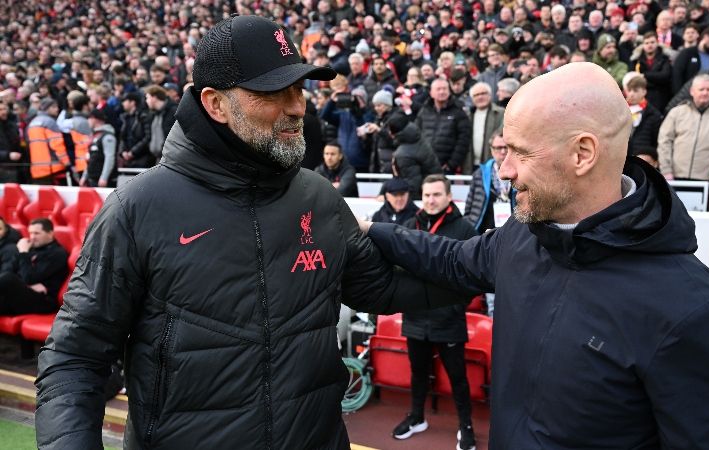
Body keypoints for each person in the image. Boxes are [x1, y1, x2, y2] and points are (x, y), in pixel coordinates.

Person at [35, 16, 460, 450]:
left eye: (299, 89)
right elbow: (75, 358)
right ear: (216, 104)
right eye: (274, 93)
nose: (297, 106)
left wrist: (500, 261)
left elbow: (385, 287)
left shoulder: (318, 196)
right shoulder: (137, 208)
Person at [360, 62, 709, 448]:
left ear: (582, 153)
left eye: (519, 153)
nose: (505, 171)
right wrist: (371, 231)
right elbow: (454, 260)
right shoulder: (522, 236)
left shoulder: (691, 308)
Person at [392, 174, 478, 450]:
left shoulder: (464, 229)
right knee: (418, 372)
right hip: (415, 317)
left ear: (449, 197)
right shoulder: (409, 225)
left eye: (437, 195)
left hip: (449, 318)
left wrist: (455, 304)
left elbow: (475, 275)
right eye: (427, 195)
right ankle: (417, 417)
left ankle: (466, 426)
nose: (430, 200)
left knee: (457, 376)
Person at [657, 74, 709, 181]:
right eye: (701, 89)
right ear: (692, 91)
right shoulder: (676, 112)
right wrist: (666, 170)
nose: (705, 93)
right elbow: (664, 142)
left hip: (707, 177)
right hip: (674, 177)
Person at [0, 218, 68, 316]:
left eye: (36, 233)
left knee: (8, 278)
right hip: (24, 294)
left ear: (50, 233)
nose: (32, 237)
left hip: (43, 301)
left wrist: (23, 253)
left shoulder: (57, 253)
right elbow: (10, 268)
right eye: (30, 233)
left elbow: (28, 278)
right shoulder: (31, 248)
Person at [415, 78, 471, 175]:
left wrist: (451, 164)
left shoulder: (459, 112)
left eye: (444, 89)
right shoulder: (424, 111)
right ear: (431, 93)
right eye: (438, 89)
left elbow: (463, 141)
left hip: (446, 168)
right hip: (424, 165)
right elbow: (416, 135)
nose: (442, 92)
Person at [464, 130, 514, 234]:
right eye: (499, 148)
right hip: (482, 231)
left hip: (512, 231)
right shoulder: (479, 174)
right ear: (491, 150)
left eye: (506, 147)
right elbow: (469, 207)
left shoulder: (520, 172)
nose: (503, 151)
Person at [387, 114, 442, 196]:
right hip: (436, 188)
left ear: (392, 133)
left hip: (424, 197)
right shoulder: (416, 136)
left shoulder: (403, 154)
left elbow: (412, 185)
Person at [26, 98, 72, 184]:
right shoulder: (50, 122)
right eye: (54, 107)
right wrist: (67, 162)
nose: (57, 109)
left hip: (37, 169)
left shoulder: (32, 123)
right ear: (47, 108)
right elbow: (57, 145)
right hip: (53, 168)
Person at [467, 82, 505, 172]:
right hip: (470, 164)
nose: (480, 97)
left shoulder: (501, 113)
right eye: (476, 95)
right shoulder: (468, 115)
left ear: (490, 95)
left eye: (483, 93)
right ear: (472, 99)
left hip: (493, 163)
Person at [81, 109, 117, 188]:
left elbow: (109, 158)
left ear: (94, 119)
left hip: (103, 181)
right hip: (93, 179)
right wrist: (85, 176)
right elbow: (90, 159)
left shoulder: (107, 136)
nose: (88, 121)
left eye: (89, 118)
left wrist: (104, 177)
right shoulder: (94, 136)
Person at [118, 92, 154, 169]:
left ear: (132, 102)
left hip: (143, 159)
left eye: (125, 101)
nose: (122, 103)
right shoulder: (125, 118)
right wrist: (123, 151)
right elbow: (123, 137)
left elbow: (148, 137)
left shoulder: (144, 116)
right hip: (127, 160)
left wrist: (133, 152)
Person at [144, 84, 178, 162]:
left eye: (147, 98)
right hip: (158, 158)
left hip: (171, 158)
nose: (146, 101)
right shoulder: (153, 114)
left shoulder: (173, 111)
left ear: (154, 98)